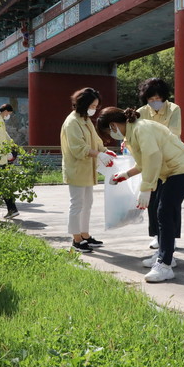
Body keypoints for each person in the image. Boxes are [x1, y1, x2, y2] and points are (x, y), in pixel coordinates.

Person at [96, 107, 184, 283]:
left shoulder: (142, 129)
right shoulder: (133, 133)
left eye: (109, 132)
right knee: (161, 211)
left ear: (113, 125)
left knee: (164, 211)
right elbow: (144, 163)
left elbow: (153, 157)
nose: (112, 136)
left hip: (182, 170)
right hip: (170, 172)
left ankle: (165, 265)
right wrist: (125, 175)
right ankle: (165, 255)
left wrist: (146, 188)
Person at [60, 88, 116, 253]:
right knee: (77, 204)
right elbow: (78, 148)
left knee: (88, 204)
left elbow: (96, 140)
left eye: (96, 106)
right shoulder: (72, 122)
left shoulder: (85, 120)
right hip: (76, 169)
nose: (94, 109)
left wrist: (105, 151)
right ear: (83, 104)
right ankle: (76, 239)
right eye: (92, 105)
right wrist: (99, 154)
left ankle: (85, 235)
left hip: (87, 169)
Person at [136, 78, 182, 250]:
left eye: (157, 98)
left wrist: (150, 141)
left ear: (164, 97)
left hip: (171, 162)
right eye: (151, 99)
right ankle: (156, 234)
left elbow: (173, 134)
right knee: (153, 200)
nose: (155, 102)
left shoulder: (173, 109)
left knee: (170, 202)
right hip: (151, 161)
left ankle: (172, 236)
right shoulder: (141, 112)